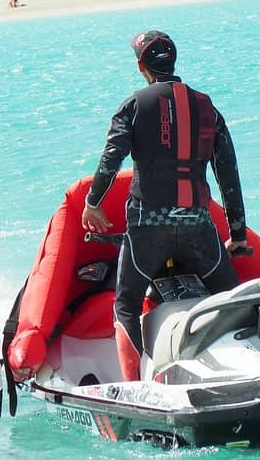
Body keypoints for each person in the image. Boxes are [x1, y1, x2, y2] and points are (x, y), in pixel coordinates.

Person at [80, 30, 248, 382]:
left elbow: (111, 159)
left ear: (141, 66)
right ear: (173, 61)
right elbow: (227, 173)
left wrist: (92, 203)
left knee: (126, 305)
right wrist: (237, 235)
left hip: (147, 229)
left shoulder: (134, 105)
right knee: (232, 298)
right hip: (198, 228)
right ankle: (245, 369)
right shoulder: (206, 106)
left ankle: (135, 387)